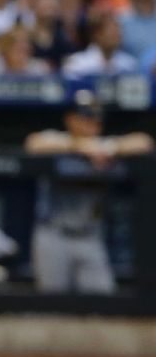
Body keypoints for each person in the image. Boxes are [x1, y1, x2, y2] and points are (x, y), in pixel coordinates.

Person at [24, 88, 153, 293]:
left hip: (90, 237)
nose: (93, 123)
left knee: (103, 300)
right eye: (85, 118)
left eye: (96, 119)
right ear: (70, 119)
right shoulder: (57, 141)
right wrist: (80, 146)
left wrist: (107, 148)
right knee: (51, 305)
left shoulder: (105, 147)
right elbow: (34, 143)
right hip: (54, 235)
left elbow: (144, 142)